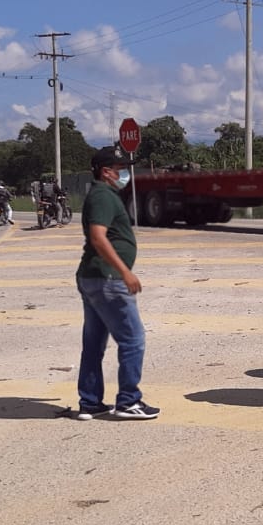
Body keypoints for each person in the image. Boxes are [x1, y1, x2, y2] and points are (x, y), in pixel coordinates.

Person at [75, 147, 159, 420]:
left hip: (95, 278)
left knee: (94, 342)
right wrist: (125, 272)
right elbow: (99, 237)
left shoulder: (105, 195)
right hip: (107, 279)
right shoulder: (102, 196)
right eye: (120, 168)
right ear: (106, 172)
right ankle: (128, 401)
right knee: (133, 339)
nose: (125, 173)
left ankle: (90, 402)